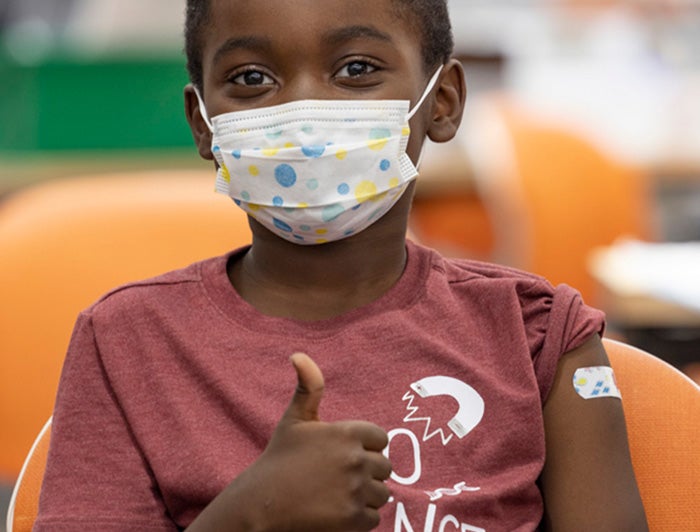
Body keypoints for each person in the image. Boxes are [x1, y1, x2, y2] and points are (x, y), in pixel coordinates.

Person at [34, 0, 648, 530]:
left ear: (444, 101)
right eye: (251, 77)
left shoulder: (537, 335)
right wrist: (250, 514)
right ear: (204, 125)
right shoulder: (127, 343)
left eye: (356, 70)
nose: (304, 113)